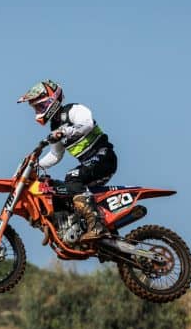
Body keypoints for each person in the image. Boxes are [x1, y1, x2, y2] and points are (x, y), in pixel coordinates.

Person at [17, 79, 117, 241]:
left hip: (104, 156)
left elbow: (87, 124)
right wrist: (34, 165)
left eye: (40, 106)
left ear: (52, 101)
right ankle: (76, 227)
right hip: (90, 164)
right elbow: (55, 155)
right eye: (36, 108)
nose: (38, 110)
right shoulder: (55, 126)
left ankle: (97, 227)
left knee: (73, 177)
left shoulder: (74, 110)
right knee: (58, 189)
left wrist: (65, 132)